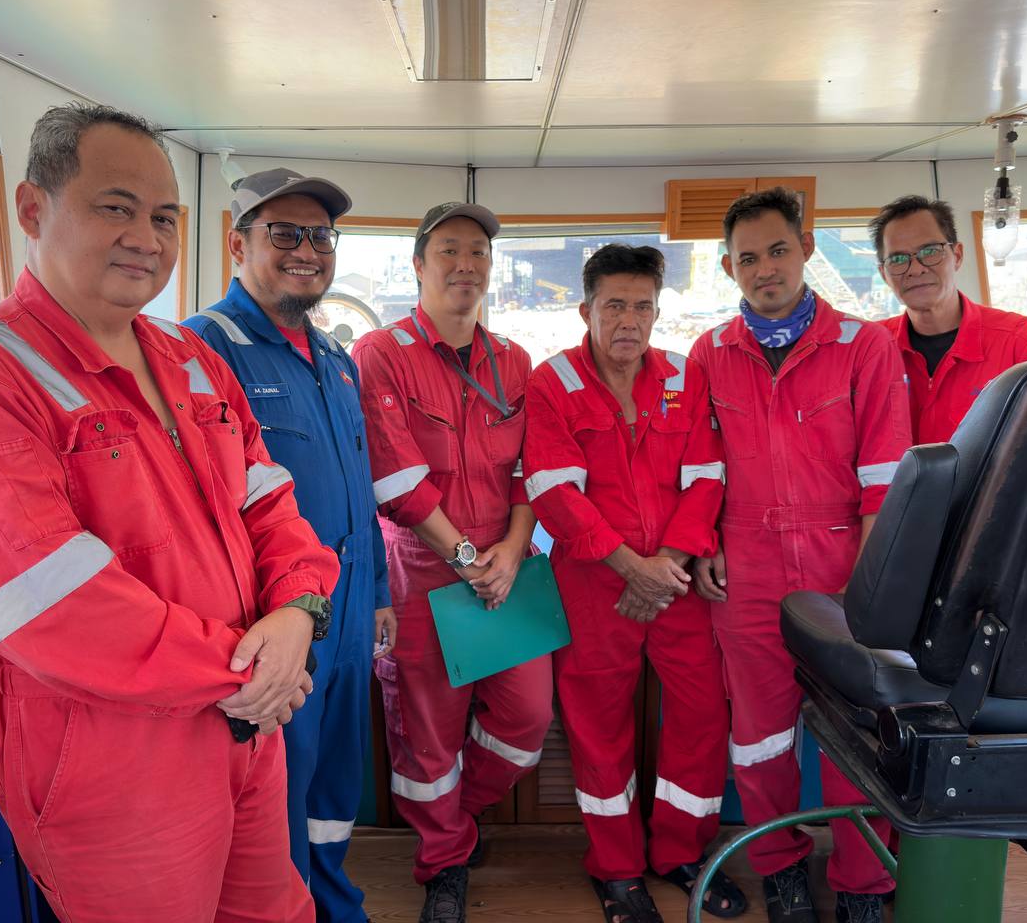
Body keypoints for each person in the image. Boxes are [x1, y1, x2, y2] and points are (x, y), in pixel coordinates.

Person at [0, 104, 339, 923]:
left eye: (164, 217)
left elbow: (271, 504)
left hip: (246, 725)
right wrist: (256, 670)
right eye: (116, 207)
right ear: (32, 209)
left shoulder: (192, 358)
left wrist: (297, 611)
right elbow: (51, 605)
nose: (146, 238)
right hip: (116, 759)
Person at [689, 187, 912, 923]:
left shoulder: (863, 345)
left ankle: (863, 885)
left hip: (844, 562)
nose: (765, 269)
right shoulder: (711, 352)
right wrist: (705, 543)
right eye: (748, 257)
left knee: (857, 736)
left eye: (778, 250)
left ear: (806, 249)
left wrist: (868, 584)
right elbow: (700, 468)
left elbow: (885, 479)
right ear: (729, 267)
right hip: (745, 568)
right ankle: (780, 870)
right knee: (758, 738)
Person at [184, 167, 393, 923]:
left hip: (348, 609)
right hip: (274, 620)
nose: (307, 250)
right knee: (278, 782)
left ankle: (332, 899)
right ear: (237, 244)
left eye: (321, 236)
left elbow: (360, 486)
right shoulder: (202, 349)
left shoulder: (335, 358)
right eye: (284, 234)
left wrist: (377, 594)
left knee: (336, 777)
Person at [523, 244, 746, 923]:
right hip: (596, 583)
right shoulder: (551, 382)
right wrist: (632, 569)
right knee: (597, 728)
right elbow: (553, 492)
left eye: (642, 306)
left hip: (676, 579)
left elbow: (707, 475)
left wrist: (665, 568)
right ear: (585, 309)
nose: (629, 320)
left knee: (703, 715)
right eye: (614, 305)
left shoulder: (684, 374)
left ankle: (681, 851)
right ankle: (616, 868)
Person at [351, 202, 552, 923]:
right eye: (449, 251)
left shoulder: (515, 361)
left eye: (478, 253)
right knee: (427, 733)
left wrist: (512, 550)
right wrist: (470, 559)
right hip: (424, 570)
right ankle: (443, 864)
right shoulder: (379, 353)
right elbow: (397, 480)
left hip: (505, 564)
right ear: (418, 265)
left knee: (528, 719)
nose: (466, 264)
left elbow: (532, 470)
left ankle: (456, 820)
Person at [872, 195, 1027, 444]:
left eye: (930, 252)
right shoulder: (870, 348)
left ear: (957, 255)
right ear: (884, 273)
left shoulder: (1023, 344)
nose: (915, 269)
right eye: (897, 259)